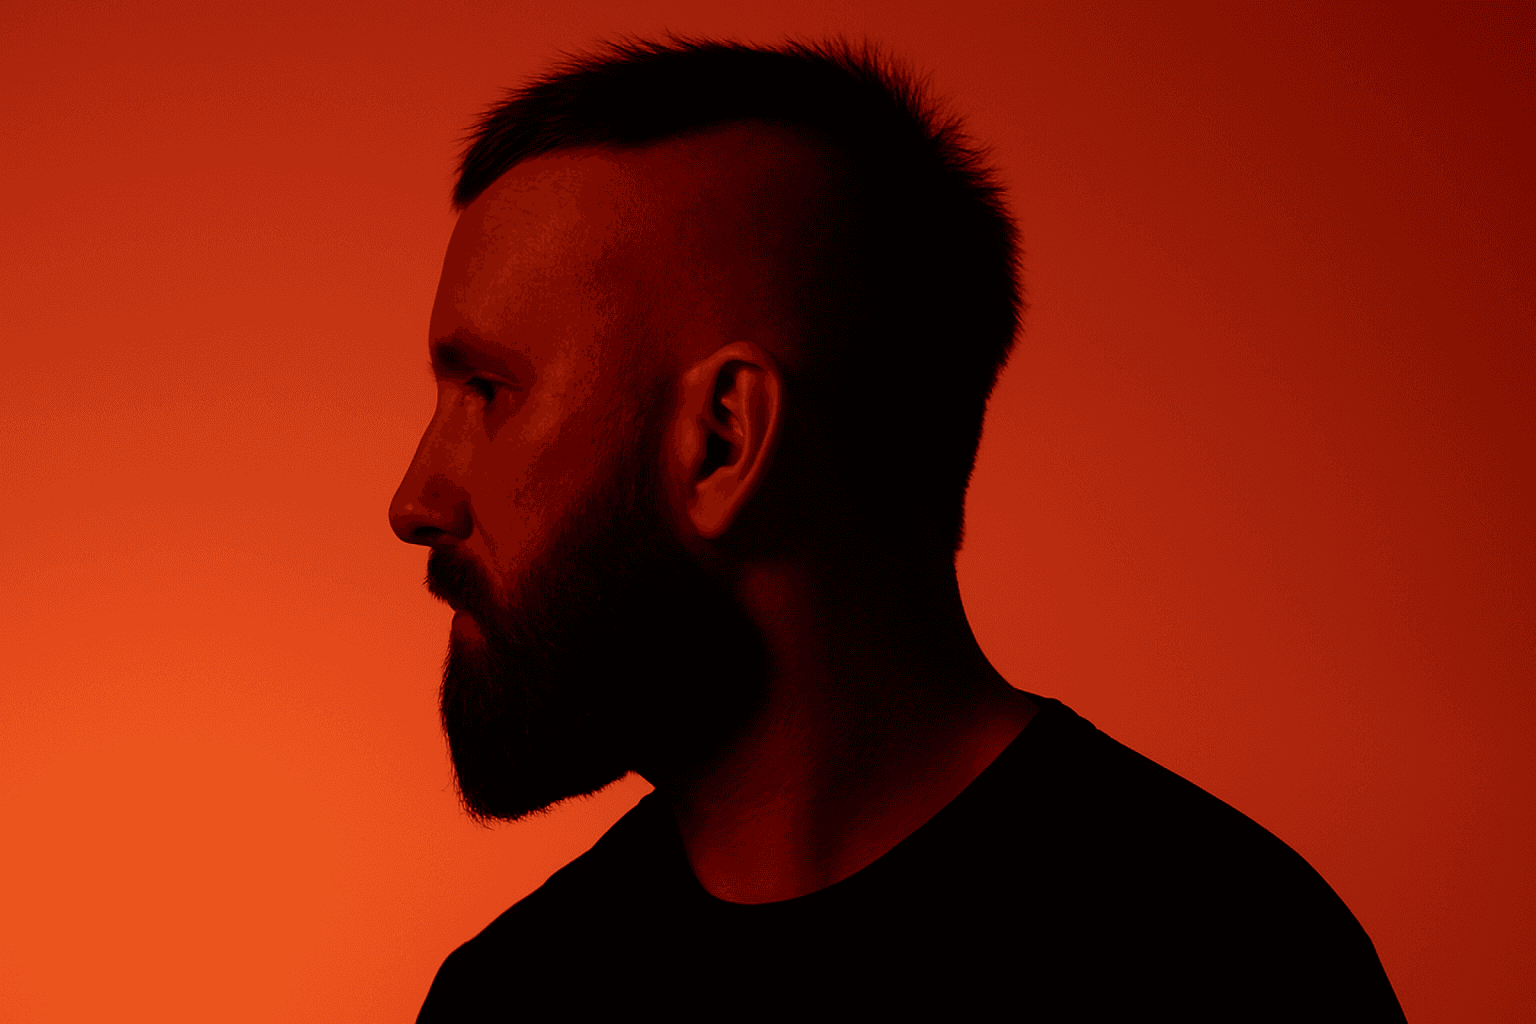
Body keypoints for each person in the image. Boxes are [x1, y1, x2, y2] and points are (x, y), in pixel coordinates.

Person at [388, 38, 1406, 1020]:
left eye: (489, 391)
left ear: (723, 439)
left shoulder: (1233, 966)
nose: (414, 499)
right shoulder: (509, 995)